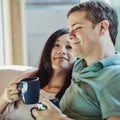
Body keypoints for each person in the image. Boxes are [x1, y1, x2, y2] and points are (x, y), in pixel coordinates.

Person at [31, 1, 120, 120]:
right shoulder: (80, 65)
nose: (70, 35)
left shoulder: (114, 77)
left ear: (102, 28)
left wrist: (58, 118)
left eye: (77, 27)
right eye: (69, 29)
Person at [0, 28, 76, 120]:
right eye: (56, 45)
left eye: (69, 47)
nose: (61, 51)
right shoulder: (28, 78)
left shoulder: (76, 91)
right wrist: (5, 99)